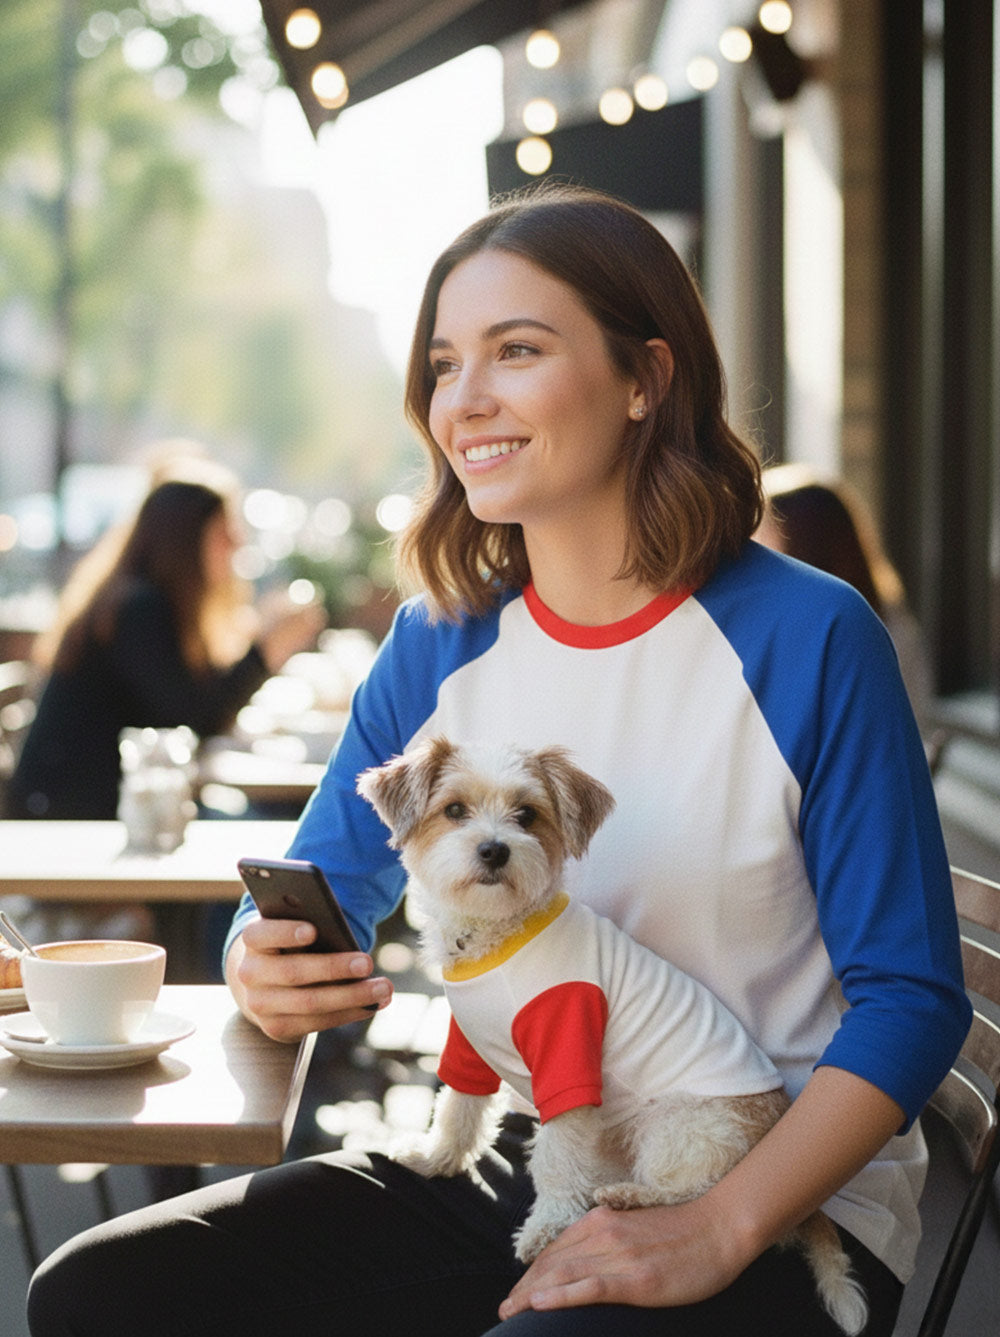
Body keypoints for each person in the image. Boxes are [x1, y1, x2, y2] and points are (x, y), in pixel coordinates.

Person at [27, 185, 970, 1337]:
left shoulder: (808, 637)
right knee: (98, 1291)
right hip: (540, 1155)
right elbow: (326, 882)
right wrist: (259, 964)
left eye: (515, 351)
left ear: (644, 379)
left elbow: (912, 1001)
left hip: (779, 1192)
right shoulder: (438, 638)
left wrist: (719, 1223)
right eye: (441, 362)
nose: (462, 399)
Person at [6, 457, 325, 940]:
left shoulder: (141, 601)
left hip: (118, 808)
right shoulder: (138, 607)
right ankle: (237, 973)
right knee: (258, 849)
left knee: (259, 831)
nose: (238, 543)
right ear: (185, 539)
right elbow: (197, 717)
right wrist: (267, 649)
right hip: (80, 822)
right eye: (224, 531)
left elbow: (194, 706)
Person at [755, 463, 933, 726]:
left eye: (766, 536)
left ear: (803, 545)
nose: (757, 550)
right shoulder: (886, 621)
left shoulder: (847, 629)